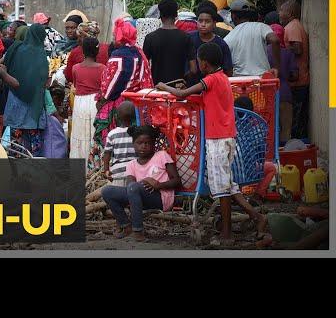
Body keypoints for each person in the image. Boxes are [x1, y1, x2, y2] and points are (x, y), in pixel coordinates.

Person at [156, 42, 267, 246]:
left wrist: (163, 87)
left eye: (199, 62)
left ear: (204, 64)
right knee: (230, 185)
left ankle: (226, 234)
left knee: (222, 188)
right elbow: (199, 94)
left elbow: (181, 95)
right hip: (226, 136)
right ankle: (256, 216)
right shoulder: (222, 77)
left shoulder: (210, 79)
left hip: (217, 138)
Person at [101, 125, 181, 241]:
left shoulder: (161, 156)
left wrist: (158, 185)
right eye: (139, 143)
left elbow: (177, 181)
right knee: (107, 191)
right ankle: (125, 225)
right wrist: (143, 183)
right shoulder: (132, 164)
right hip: (138, 197)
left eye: (147, 143)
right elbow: (130, 187)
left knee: (134, 187)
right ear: (133, 144)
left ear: (153, 144)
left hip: (161, 198)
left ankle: (138, 231)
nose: (143, 146)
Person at [94, 19, 153, 152]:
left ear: (120, 38)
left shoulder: (118, 56)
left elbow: (111, 84)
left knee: (115, 139)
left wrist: (103, 99)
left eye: (115, 36)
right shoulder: (139, 53)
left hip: (119, 104)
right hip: (136, 103)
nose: (113, 39)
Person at [2, 23, 49, 157]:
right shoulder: (41, 55)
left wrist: (9, 79)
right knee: (35, 147)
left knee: (16, 145)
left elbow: (0, 65)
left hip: (16, 101)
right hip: (34, 106)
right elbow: (43, 82)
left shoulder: (16, 49)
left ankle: (16, 173)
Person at [233, 96, 278, 205]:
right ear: (251, 111)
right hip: (249, 171)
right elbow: (261, 153)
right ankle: (258, 195)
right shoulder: (257, 129)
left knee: (236, 162)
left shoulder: (229, 127)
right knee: (271, 168)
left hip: (230, 172)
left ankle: (235, 195)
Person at [143, 0, 197, 85]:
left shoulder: (150, 38)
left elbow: (144, 67)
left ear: (160, 14)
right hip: (178, 90)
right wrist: (183, 79)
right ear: (176, 15)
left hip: (157, 90)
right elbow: (193, 70)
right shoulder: (186, 37)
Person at [70, 37, 106, 163]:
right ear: (97, 52)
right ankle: (95, 167)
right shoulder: (103, 68)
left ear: (83, 51)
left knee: (79, 134)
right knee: (94, 134)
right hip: (95, 103)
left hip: (80, 104)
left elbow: (75, 86)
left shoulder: (75, 68)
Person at [224, 0, 280, 78]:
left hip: (239, 82)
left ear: (233, 16)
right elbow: (275, 40)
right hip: (261, 80)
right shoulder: (261, 27)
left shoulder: (228, 37)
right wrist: (276, 68)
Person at [279, 0, 310, 139]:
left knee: (295, 121)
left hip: (298, 82)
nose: (279, 13)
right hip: (296, 80)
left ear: (289, 13)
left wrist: (281, 50)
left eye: (281, 10)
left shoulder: (293, 27)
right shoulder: (293, 26)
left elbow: (297, 48)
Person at [268, 23, 298, 143]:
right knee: (286, 130)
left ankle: (273, 156)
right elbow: (295, 75)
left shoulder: (264, 51)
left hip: (268, 94)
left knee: (270, 128)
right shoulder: (288, 53)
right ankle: (285, 157)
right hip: (285, 92)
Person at [188, 3, 233, 83]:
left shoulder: (221, 44)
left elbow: (228, 71)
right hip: (190, 87)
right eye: (200, 21)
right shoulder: (189, 39)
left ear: (214, 23)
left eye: (207, 21)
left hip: (214, 86)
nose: (203, 24)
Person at [101, 101, 138, 186]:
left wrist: (106, 170)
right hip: (135, 172)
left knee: (118, 197)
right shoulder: (137, 132)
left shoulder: (112, 134)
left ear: (117, 116)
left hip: (117, 173)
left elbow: (107, 153)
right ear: (134, 116)